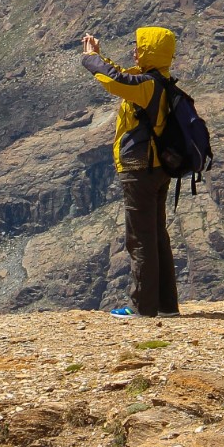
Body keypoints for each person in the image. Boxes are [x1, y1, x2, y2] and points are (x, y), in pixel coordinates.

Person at [81, 26, 181, 318]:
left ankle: (142, 307)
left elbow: (114, 81)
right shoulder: (160, 80)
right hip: (158, 168)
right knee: (157, 235)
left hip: (140, 169)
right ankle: (166, 306)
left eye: (139, 47)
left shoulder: (146, 85)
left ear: (150, 51)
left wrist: (89, 58)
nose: (134, 51)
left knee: (140, 238)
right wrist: (100, 55)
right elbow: (123, 75)